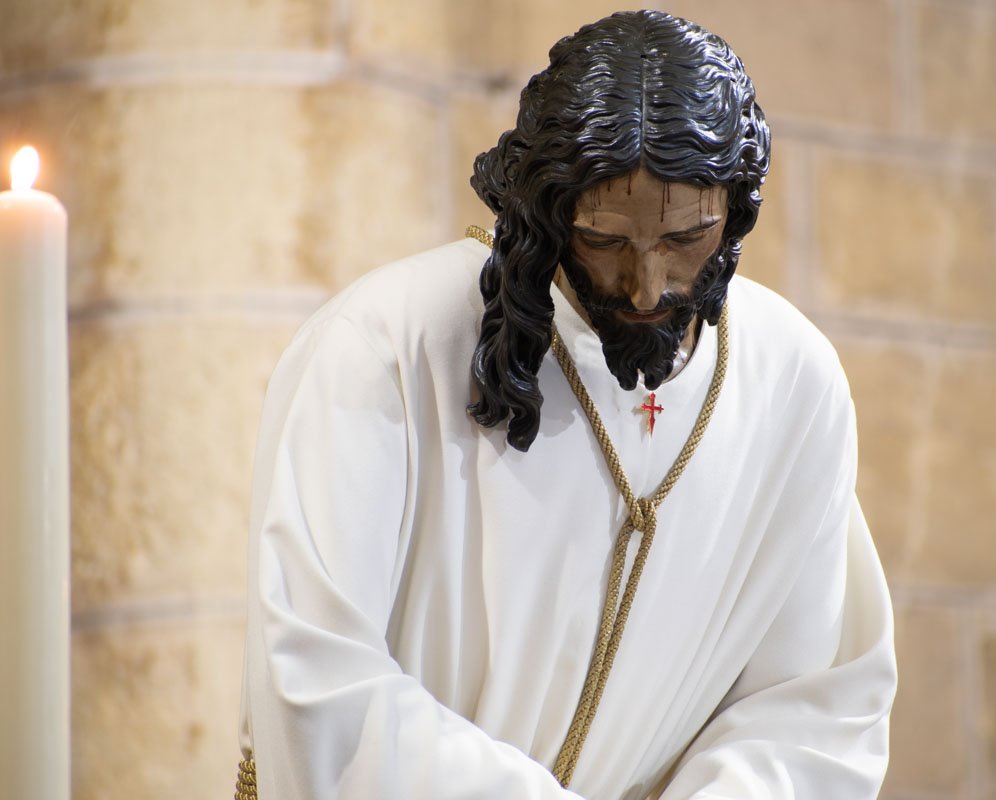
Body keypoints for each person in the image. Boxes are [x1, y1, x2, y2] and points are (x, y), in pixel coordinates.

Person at [236, 10, 896, 800]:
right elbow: (318, 677)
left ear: (735, 211)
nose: (647, 289)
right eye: (606, 242)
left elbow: (815, 706)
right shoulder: (387, 347)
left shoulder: (792, 383)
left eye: (686, 239)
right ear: (548, 210)